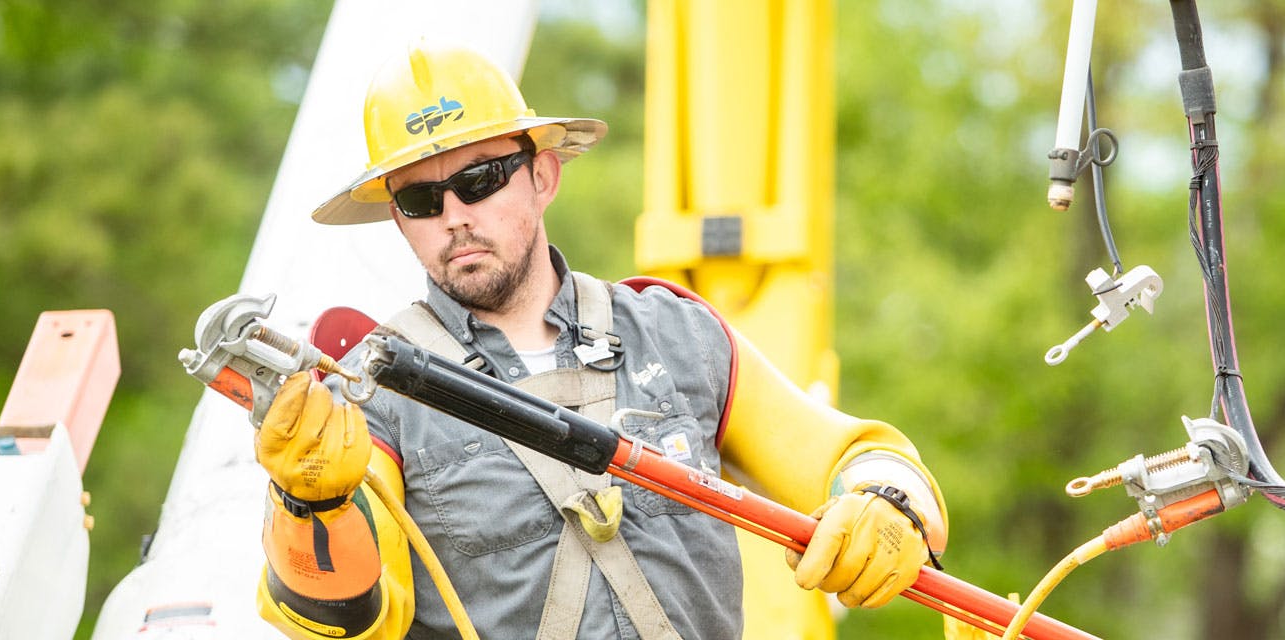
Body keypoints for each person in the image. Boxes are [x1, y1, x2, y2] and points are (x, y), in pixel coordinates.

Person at [252, 42, 948, 639]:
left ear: (543, 176)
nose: (455, 216)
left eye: (479, 179)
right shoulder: (366, 399)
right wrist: (309, 504)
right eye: (421, 200)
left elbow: (860, 455)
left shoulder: (677, 335)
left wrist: (889, 503)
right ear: (399, 222)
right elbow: (346, 622)